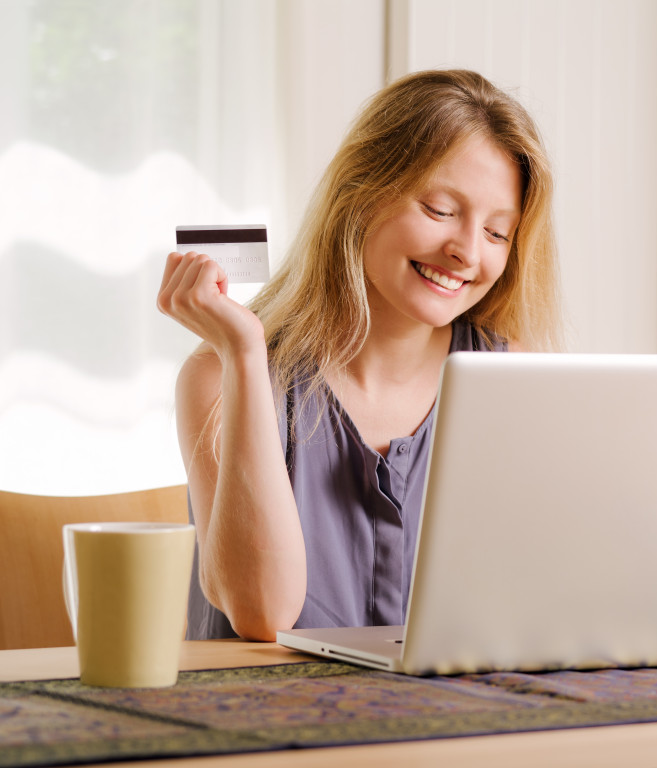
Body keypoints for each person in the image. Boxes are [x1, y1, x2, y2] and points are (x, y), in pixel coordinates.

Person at [156, 69, 563, 641]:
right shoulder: (221, 374)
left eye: (498, 233)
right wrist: (245, 355)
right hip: (270, 723)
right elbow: (262, 613)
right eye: (441, 211)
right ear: (362, 191)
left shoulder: (510, 380)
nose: (466, 252)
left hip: (455, 723)